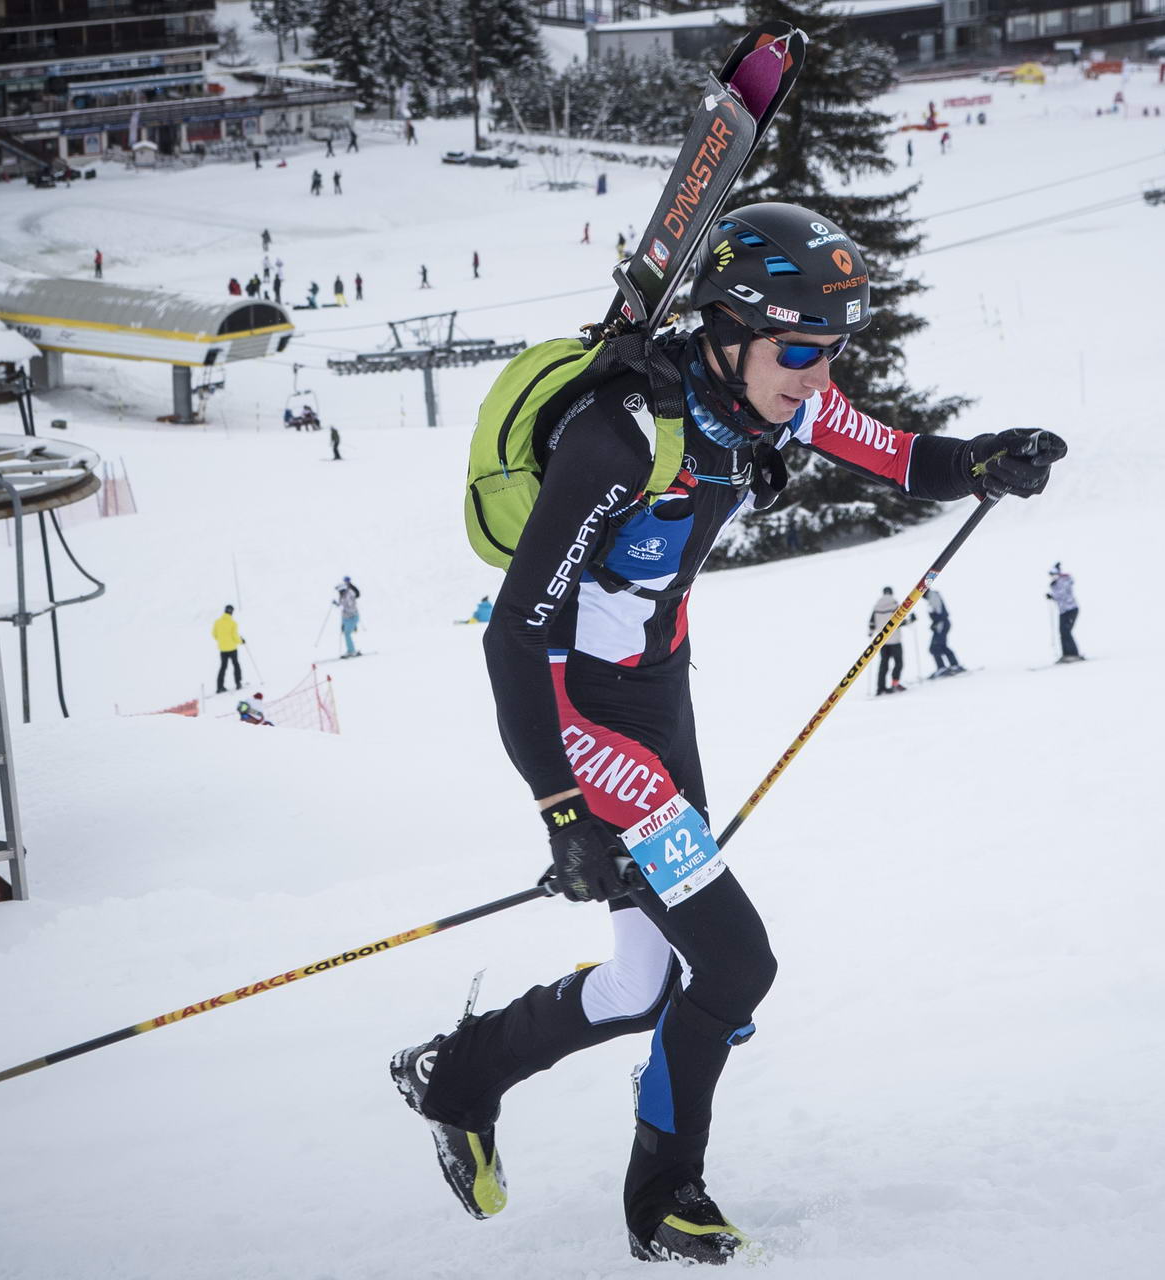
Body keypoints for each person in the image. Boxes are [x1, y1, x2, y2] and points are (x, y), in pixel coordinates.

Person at [388, 200, 1066, 1264]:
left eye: (833, 349)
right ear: (730, 326)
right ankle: (665, 1194)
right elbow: (514, 635)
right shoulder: (619, 436)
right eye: (800, 347)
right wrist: (563, 808)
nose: (817, 371)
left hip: (661, 699)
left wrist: (984, 460)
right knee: (735, 962)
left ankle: (457, 1073)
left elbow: (893, 454)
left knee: (641, 982)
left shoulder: (765, 401)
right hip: (582, 723)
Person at [868, 585, 913, 695]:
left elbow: (871, 624)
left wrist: (871, 632)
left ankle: (880, 688)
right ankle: (895, 683)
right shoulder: (894, 604)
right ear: (891, 593)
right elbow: (900, 621)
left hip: (882, 640)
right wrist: (911, 620)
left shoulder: (877, 606)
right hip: (895, 639)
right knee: (898, 663)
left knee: (883, 664)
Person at [1047, 564, 1083, 663]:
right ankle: (1066, 654)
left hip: (1070, 609)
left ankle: (1073, 654)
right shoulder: (1056, 583)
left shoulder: (1064, 580)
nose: (1052, 577)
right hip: (1063, 611)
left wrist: (1052, 595)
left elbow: (1062, 594)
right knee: (1062, 632)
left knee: (1066, 631)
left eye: (1053, 574)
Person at [924, 587, 963, 677]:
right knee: (941, 646)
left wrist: (936, 623)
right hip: (942, 624)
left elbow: (939, 612)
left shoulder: (932, 596)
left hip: (941, 624)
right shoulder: (932, 596)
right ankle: (954, 665)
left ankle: (943, 668)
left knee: (934, 647)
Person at [212, 605, 244, 693]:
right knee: (236, 664)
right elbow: (235, 636)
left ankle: (219, 687)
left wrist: (222, 640)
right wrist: (241, 641)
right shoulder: (233, 623)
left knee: (223, 667)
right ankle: (238, 683)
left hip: (222, 649)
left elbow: (214, 634)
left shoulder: (217, 622)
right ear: (232, 612)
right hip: (232, 648)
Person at [334, 577, 361, 655]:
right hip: (346, 618)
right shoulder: (343, 596)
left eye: (339, 591)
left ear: (343, 590)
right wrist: (337, 604)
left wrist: (341, 607)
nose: (339, 592)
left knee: (347, 634)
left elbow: (350, 608)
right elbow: (342, 606)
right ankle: (350, 650)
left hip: (352, 617)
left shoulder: (348, 596)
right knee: (346, 634)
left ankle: (351, 651)